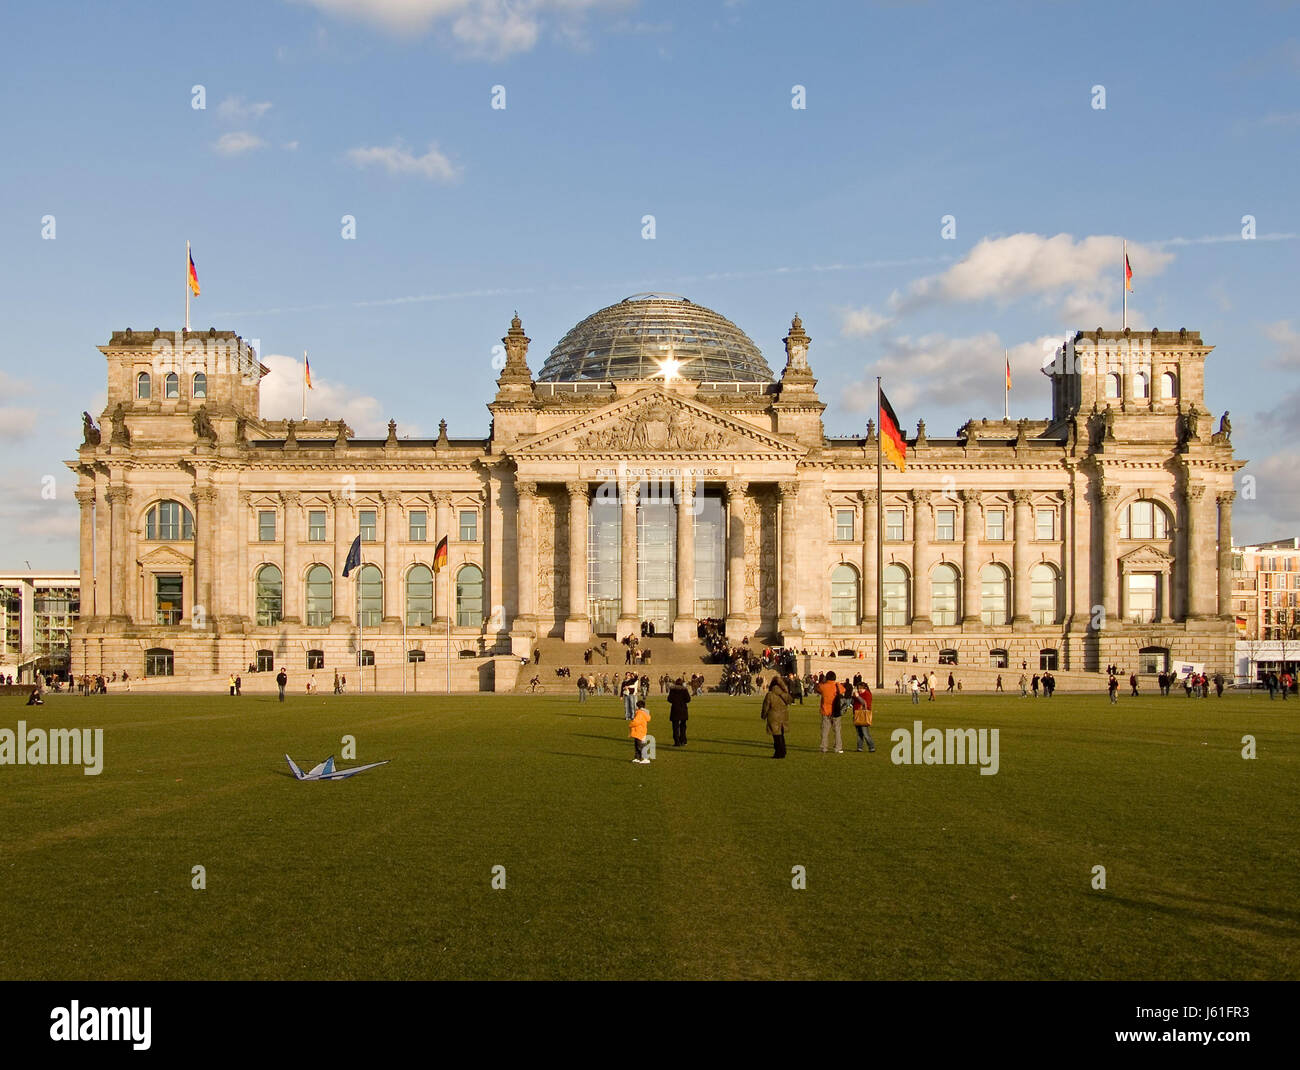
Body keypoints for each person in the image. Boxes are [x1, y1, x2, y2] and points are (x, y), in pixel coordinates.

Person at [762, 675, 790, 758]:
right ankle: (783, 751)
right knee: (781, 735)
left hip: (773, 716)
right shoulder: (784, 694)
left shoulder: (770, 694)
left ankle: (778, 753)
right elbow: (790, 700)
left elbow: (766, 706)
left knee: (776, 736)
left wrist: (763, 715)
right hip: (783, 716)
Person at [816, 671, 844, 753]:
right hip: (836, 711)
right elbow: (843, 690)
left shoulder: (823, 686)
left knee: (825, 731)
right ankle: (838, 748)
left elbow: (817, 688)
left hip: (825, 710)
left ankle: (824, 747)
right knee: (837, 730)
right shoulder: (837, 685)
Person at [852, 680, 875, 753]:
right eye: (858, 688)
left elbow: (865, 703)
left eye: (861, 688)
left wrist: (858, 696)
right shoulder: (857, 694)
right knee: (859, 733)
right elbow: (854, 703)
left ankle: (871, 747)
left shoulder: (867, 694)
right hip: (856, 714)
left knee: (865, 733)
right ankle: (859, 747)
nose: (859, 690)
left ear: (865, 688)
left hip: (863, 715)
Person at [668, 676, 691, 746]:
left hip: (675, 709)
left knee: (675, 727)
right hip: (683, 709)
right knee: (683, 726)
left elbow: (669, 699)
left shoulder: (673, 690)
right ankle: (683, 740)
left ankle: (677, 741)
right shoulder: (684, 690)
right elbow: (688, 699)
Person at [629, 699, 651, 764]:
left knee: (640, 746)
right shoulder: (642, 713)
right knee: (637, 746)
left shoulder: (640, 713)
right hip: (640, 731)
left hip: (639, 732)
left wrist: (630, 724)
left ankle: (645, 758)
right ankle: (637, 758)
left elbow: (636, 722)